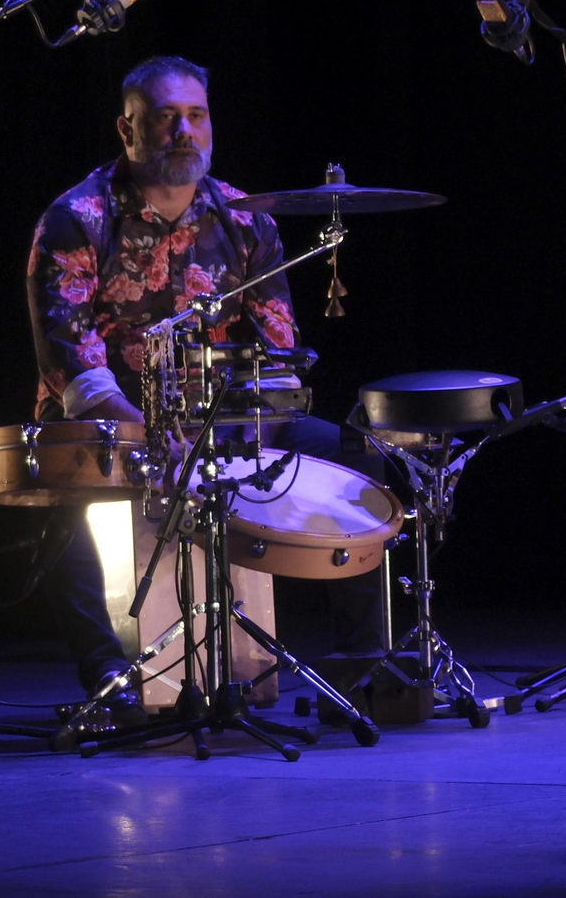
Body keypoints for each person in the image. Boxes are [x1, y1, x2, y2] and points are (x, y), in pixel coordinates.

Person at [26, 55, 386, 723]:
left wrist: (239, 426)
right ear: (127, 131)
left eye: (196, 116)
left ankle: (360, 669)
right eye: (164, 118)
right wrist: (156, 435)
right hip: (115, 424)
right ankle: (110, 674)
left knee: (361, 460)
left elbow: (280, 356)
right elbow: (75, 366)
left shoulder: (247, 221)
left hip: (225, 423)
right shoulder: (76, 218)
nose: (183, 131)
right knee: (68, 494)